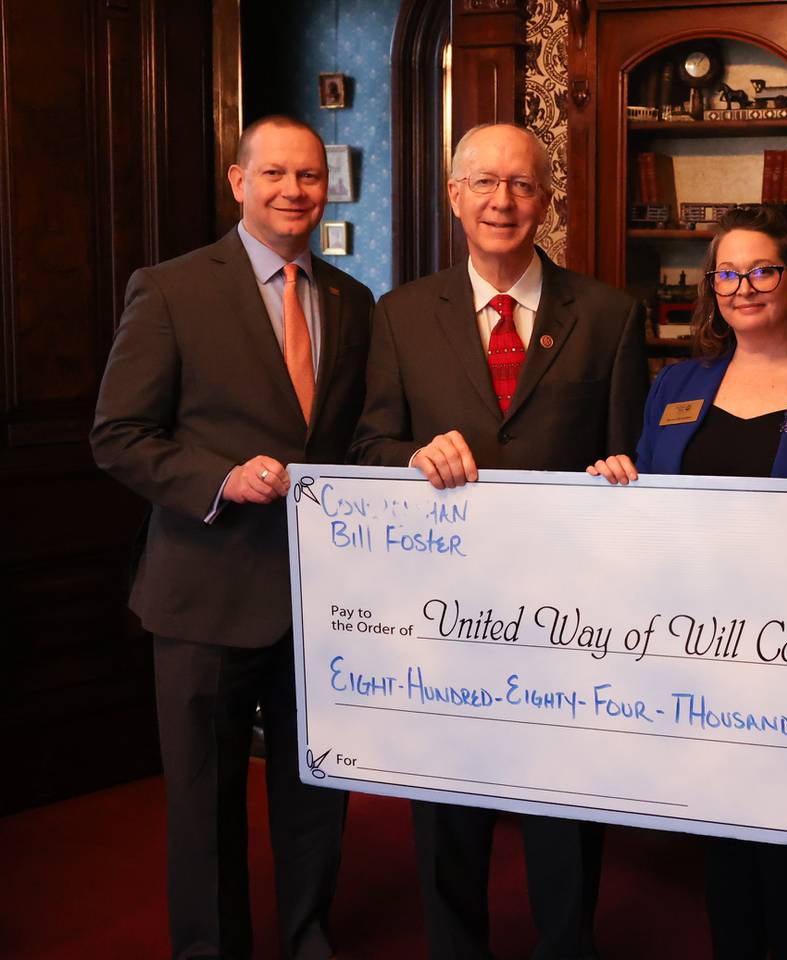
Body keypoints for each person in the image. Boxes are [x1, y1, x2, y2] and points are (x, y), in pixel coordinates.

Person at [349, 122, 648, 960]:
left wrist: (622, 474)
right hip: (445, 617)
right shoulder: (402, 315)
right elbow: (367, 447)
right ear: (455, 197)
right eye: (483, 183)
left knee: (563, 813)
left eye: (520, 185)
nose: (502, 201)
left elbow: (635, 465)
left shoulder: (612, 315)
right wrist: (412, 456)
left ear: (546, 200)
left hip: (570, 618)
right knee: (447, 813)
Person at [91, 115, 374, 960]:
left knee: (317, 788)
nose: (295, 191)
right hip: (204, 593)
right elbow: (119, 434)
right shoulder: (171, 289)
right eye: (277, 174)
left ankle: (307, 936)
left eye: (312, 177)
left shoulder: (351, 303)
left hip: (322, 602)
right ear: (237, 180)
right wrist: (218, 479)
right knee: (206, 799)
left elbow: (355, 441)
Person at [587, 204, 787, 958]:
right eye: (728, 272)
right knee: (719, 835)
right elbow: (648, 509)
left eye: (762, 270)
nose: (744, 287)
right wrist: (615, 478)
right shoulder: (677, 385)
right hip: (699, 650)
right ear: (711, 287)